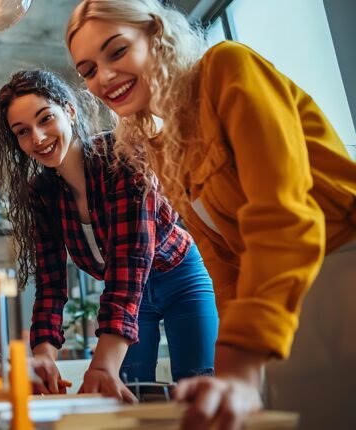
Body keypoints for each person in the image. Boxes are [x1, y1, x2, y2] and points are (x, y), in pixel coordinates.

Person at [66, 1, 356, 428]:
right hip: (286, 309)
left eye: (117, 51)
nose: (103, 77)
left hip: (339, 276)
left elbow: (284, 217)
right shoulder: (163, 144)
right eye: (88, 70)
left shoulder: (227, 66)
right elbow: (223, 264)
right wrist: (230, 371)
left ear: (155, 35)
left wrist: (239, 365)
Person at [0, 69, 218, 401]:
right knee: (126, 393)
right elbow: (51, 284)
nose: (37, 138)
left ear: (68, 110)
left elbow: (131, 260)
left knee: (197, 390)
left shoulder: (123, 154)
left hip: (180, 279)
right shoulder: (43, 192)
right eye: (23, 132)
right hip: (127, 298)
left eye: (45, 119)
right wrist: (43, 355)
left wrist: (100, 366)